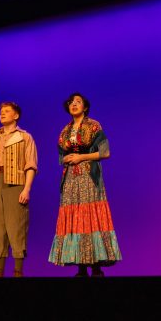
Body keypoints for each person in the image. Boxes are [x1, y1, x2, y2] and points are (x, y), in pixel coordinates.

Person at [48, 93, 121, 276]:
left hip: (89, 175)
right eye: (71, 102)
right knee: (76, 218)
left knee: (90, 216)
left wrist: (81, 157)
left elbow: (104, 153)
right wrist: (66, 158)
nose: (74, 104)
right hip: (71, 178)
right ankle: (81, 266)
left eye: (78, 102)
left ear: (85, 107)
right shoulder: (65, 130)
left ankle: (96, 265)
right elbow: (60, 156)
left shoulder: (93, 126)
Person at [0, 101, 37, 277]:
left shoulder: (25, 137)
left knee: (16, 226)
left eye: (7, 111)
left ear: (16, 115)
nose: (2, 114)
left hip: (15, 183)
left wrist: (26, 189)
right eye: (1, 112)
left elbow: (31, 165)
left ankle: (18, 270)